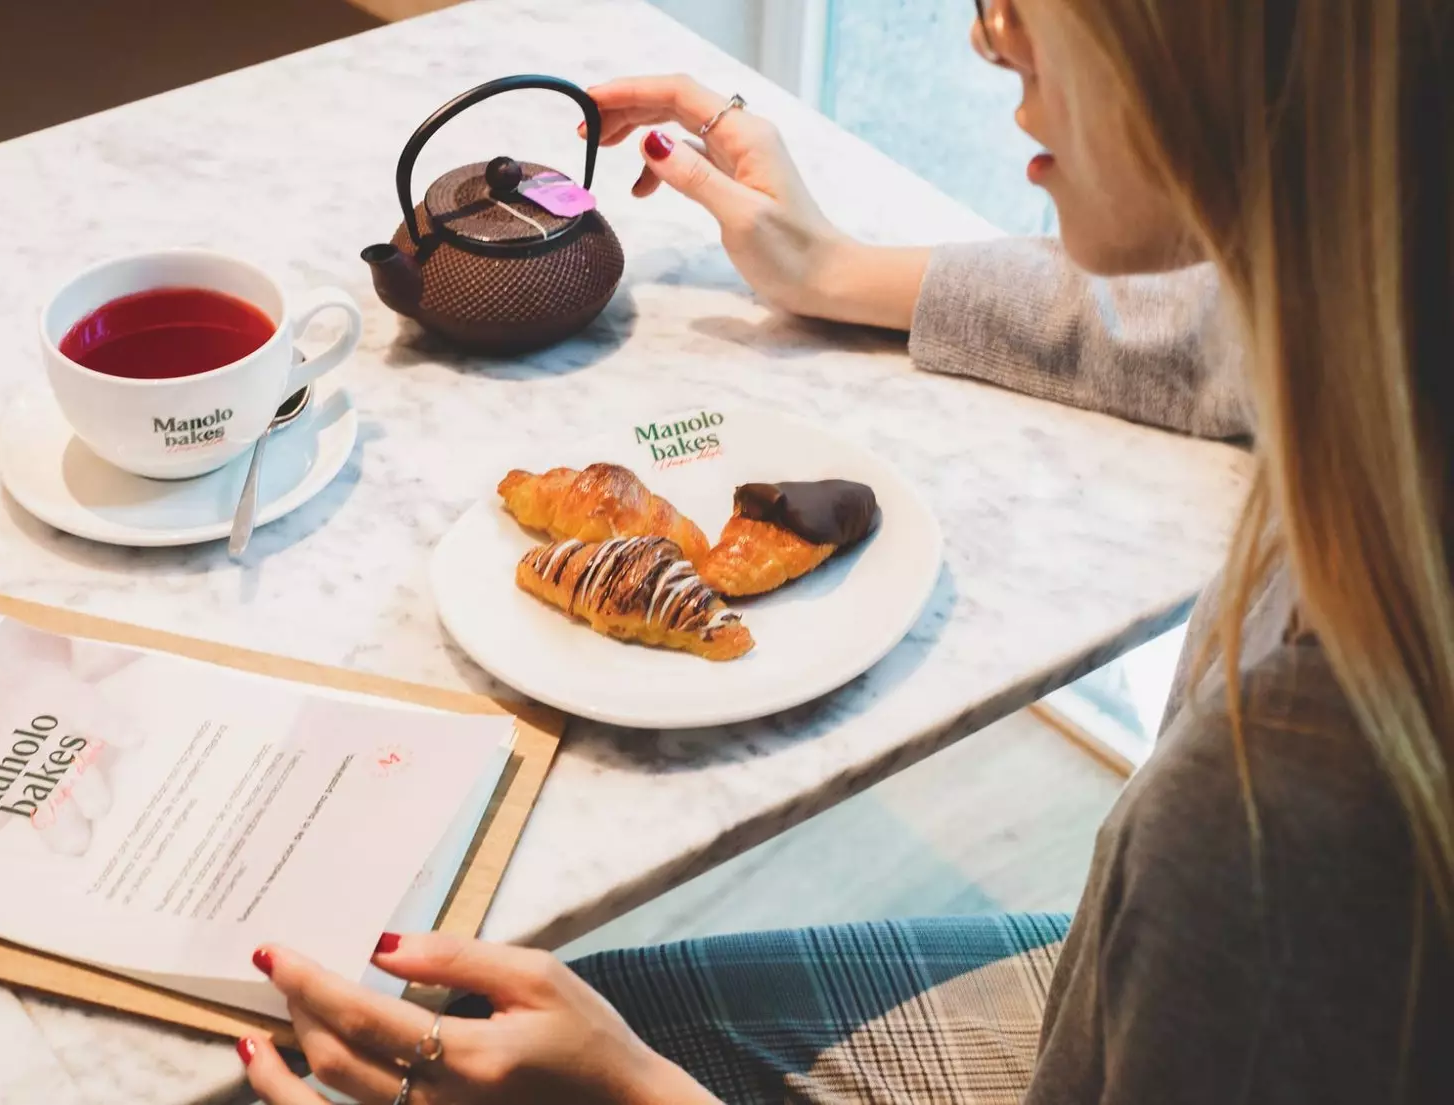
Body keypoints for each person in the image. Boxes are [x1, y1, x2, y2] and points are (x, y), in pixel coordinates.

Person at [238, 0, 1454, 1101]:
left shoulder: (1288, 806)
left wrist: (638, 1097)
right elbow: (1200, 325)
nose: (987, 35)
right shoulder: (1391, 324)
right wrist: (827, 268)